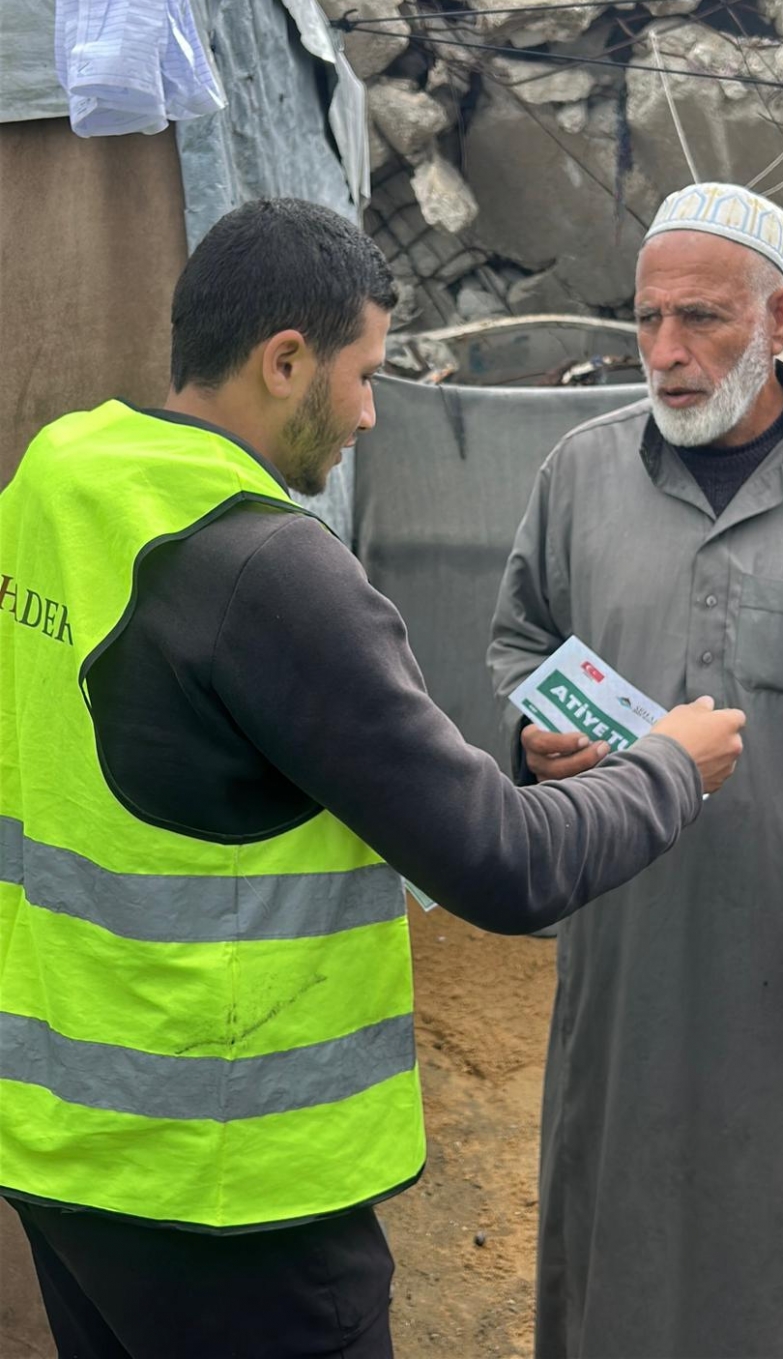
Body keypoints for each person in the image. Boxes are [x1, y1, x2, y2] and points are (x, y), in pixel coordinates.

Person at [0, 197, 744, 1359]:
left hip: (61, 1147)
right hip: (233, 1183)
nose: (368, 412)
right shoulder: (273, 570)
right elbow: (505, 865)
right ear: (284, 360)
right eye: (363, 374)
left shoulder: (58, 472)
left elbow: (185, 749)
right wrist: (669, 768)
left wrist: (517, 765)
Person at [489, 180, 783, 1359]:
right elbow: (519, 642)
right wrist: (531, 736)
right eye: (647, 317)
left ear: (781, 318)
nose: (665, 351)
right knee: (620, 1238)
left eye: (701, 317)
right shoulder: (578, 473)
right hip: (625, 963)